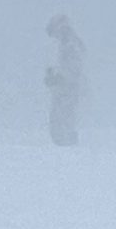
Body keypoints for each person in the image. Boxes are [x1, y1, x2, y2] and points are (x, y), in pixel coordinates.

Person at [45, 16, 86, 146]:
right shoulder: (67, 43)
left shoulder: (70, 44)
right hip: (65, 90)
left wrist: (58, 78)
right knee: (63, 120)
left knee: (62, 121)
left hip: (68, 90)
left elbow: (74, 69)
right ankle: (67, 147)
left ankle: (67, 148)